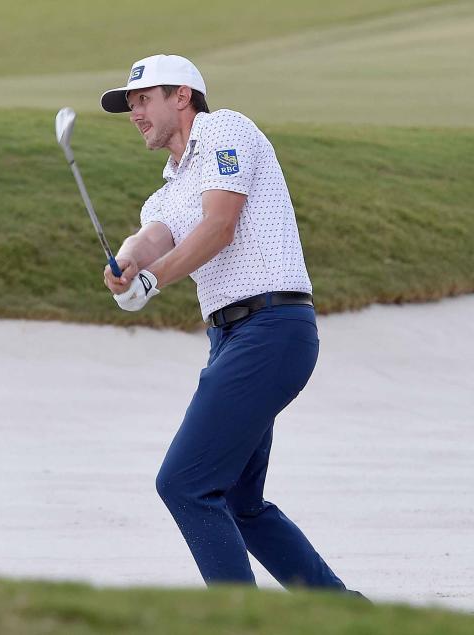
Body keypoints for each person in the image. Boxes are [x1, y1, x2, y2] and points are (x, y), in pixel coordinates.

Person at [100, 54, 361, 594]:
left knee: (184, 484)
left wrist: (154, 281)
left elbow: (219, 227)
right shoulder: (170, 187)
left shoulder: (225, 129)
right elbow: (152, 236)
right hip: (232, 340)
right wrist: (126, 264)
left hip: (273, 327)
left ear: (183, 97)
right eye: (130, 103)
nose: (135, 112)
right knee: (242, 504)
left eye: (144, 98)